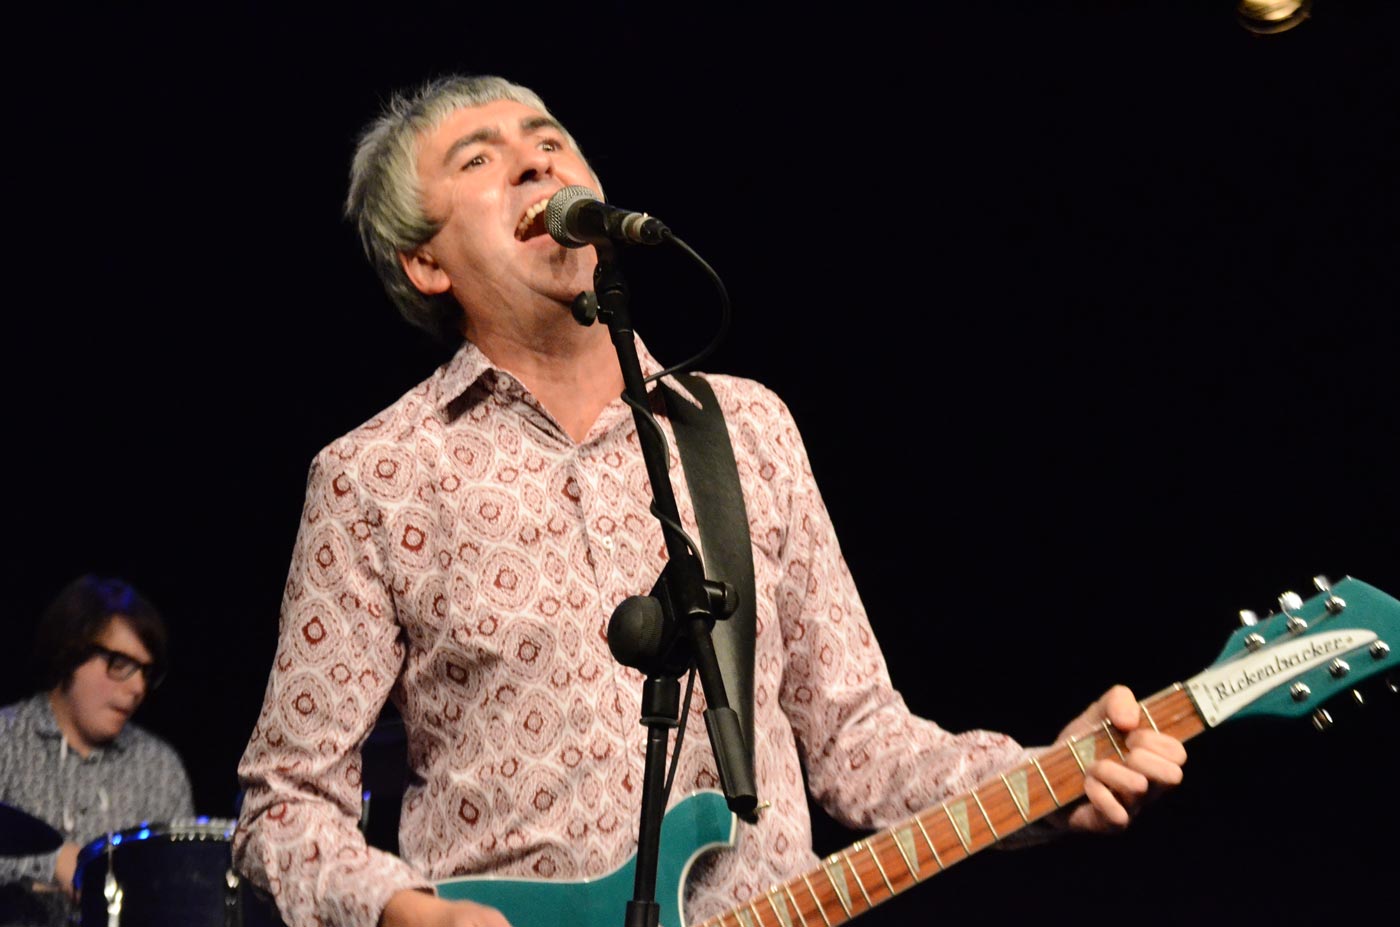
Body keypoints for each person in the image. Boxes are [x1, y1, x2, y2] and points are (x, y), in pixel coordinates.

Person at [233, 74, 1187, 927]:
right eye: (479, 159)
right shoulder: (376, 475)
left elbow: (857, 738)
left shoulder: (745, 429)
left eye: (550, 139)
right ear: (427, 264)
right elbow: (285, 805)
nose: (533, 161)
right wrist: (402, 912)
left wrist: (1044, 777)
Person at [0, 574, 195, 926]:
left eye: (146, 672)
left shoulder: (160, 768)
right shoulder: (7, 739)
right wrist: (50, 864)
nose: (137, 687)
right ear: (69, 654)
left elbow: (181, 892)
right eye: (120, 664)